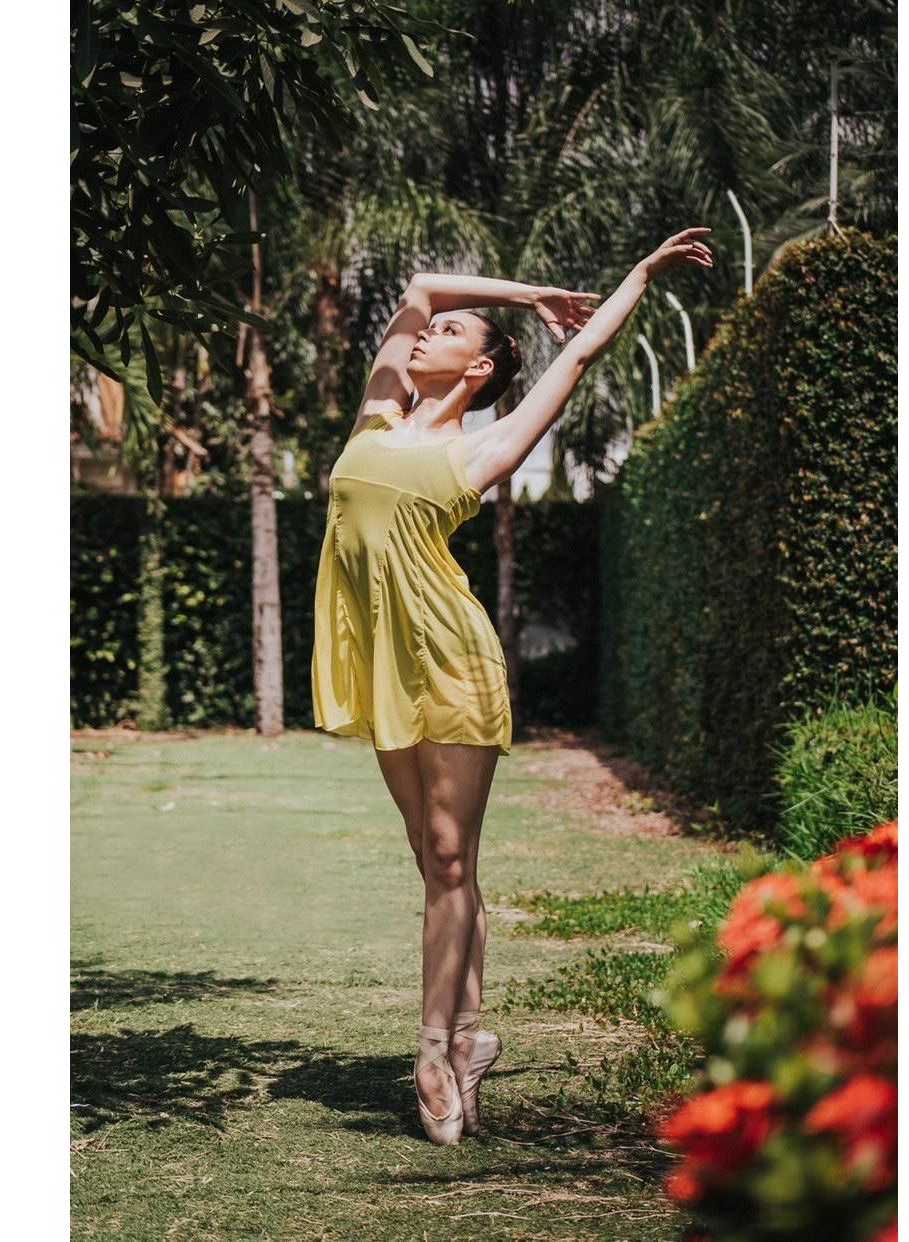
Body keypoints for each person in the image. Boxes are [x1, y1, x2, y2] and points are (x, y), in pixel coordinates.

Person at [311, 227, 714, 1144]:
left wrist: (639, 273)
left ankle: (431, 1052)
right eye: (431, 329)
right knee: (434, 858)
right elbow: (421, 282)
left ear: (481, 371)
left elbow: (579, 356)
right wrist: (529, 294)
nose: (426, 331)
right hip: (389, 664)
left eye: (449, 334)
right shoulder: (377, 416)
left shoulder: (483, 448)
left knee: (451, 857)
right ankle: (470, 1038)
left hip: (453, 661)